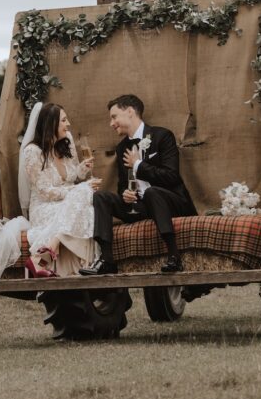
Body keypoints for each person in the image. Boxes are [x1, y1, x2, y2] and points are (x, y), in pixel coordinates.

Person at [79, 94, 196, 275]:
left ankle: (174, 256)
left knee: (151, 193)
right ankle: (107, 260)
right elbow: (122, 185)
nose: (112, 123)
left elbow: (171, 176)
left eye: (114, 116)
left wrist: (138, 165)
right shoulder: (121, 147)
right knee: (100, 197)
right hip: (139, 206)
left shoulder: (162, 136)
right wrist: (125, 193)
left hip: (169, 202)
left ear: (130, 112)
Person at [18, 102, 101, 277]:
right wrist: (79, 190)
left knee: (88, 203)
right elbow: (45, 192)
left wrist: (82, 169)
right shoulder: (32, 152)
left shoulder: (66, 141)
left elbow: (72, 177)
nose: (68, 124)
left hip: (68, 202)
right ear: (51, 124)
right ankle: (76, 265)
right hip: (44, 206)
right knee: (84, 193)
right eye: (64, 120)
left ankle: (46, 253)